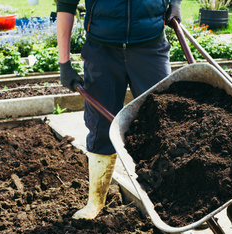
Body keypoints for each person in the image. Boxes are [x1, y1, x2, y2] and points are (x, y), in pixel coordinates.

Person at [56, 0, 182, 220]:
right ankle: (95, 201)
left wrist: (176, 2)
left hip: (149, 47)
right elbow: (66, 4)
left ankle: (173, 201)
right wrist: (64, 63)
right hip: (102, 52)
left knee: (164, 123)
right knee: (101, 127)